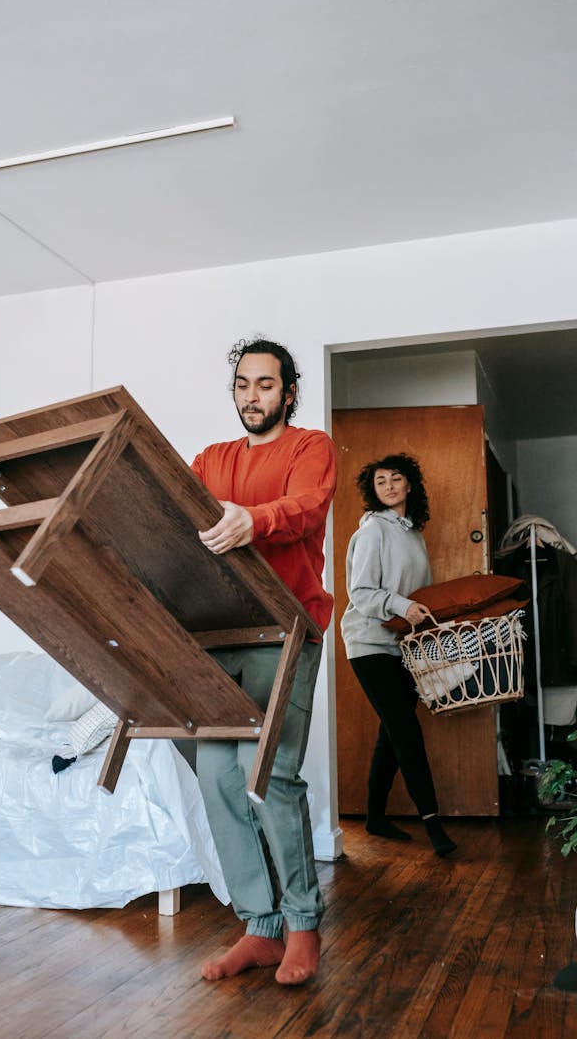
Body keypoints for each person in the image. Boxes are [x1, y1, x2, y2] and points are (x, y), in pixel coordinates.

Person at [191, 335, 337, 985]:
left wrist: (253, 520)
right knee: (218, 778)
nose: (253, 396)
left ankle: (303, 927)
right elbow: (178, 522)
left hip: (288, 633)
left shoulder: (311, 448)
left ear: (289, 390)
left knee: (269, 773)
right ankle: (261, 927)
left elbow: (306, 510)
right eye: (243, 385)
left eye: (266, 385)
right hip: (219, 639)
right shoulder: (210, 459)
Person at [340, 453, 457, 857]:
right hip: (369, 643)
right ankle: (434, 826)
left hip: (402, 645)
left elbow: (417, 592)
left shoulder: (412, 532)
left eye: (396, 479)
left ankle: (374, 816)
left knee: (391, 734)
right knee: (405, 730)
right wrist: (400, 605)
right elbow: (361, 593)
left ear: (410, 485)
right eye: (380, 481)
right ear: (373, 491)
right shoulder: (373, 530)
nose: (388, 486)